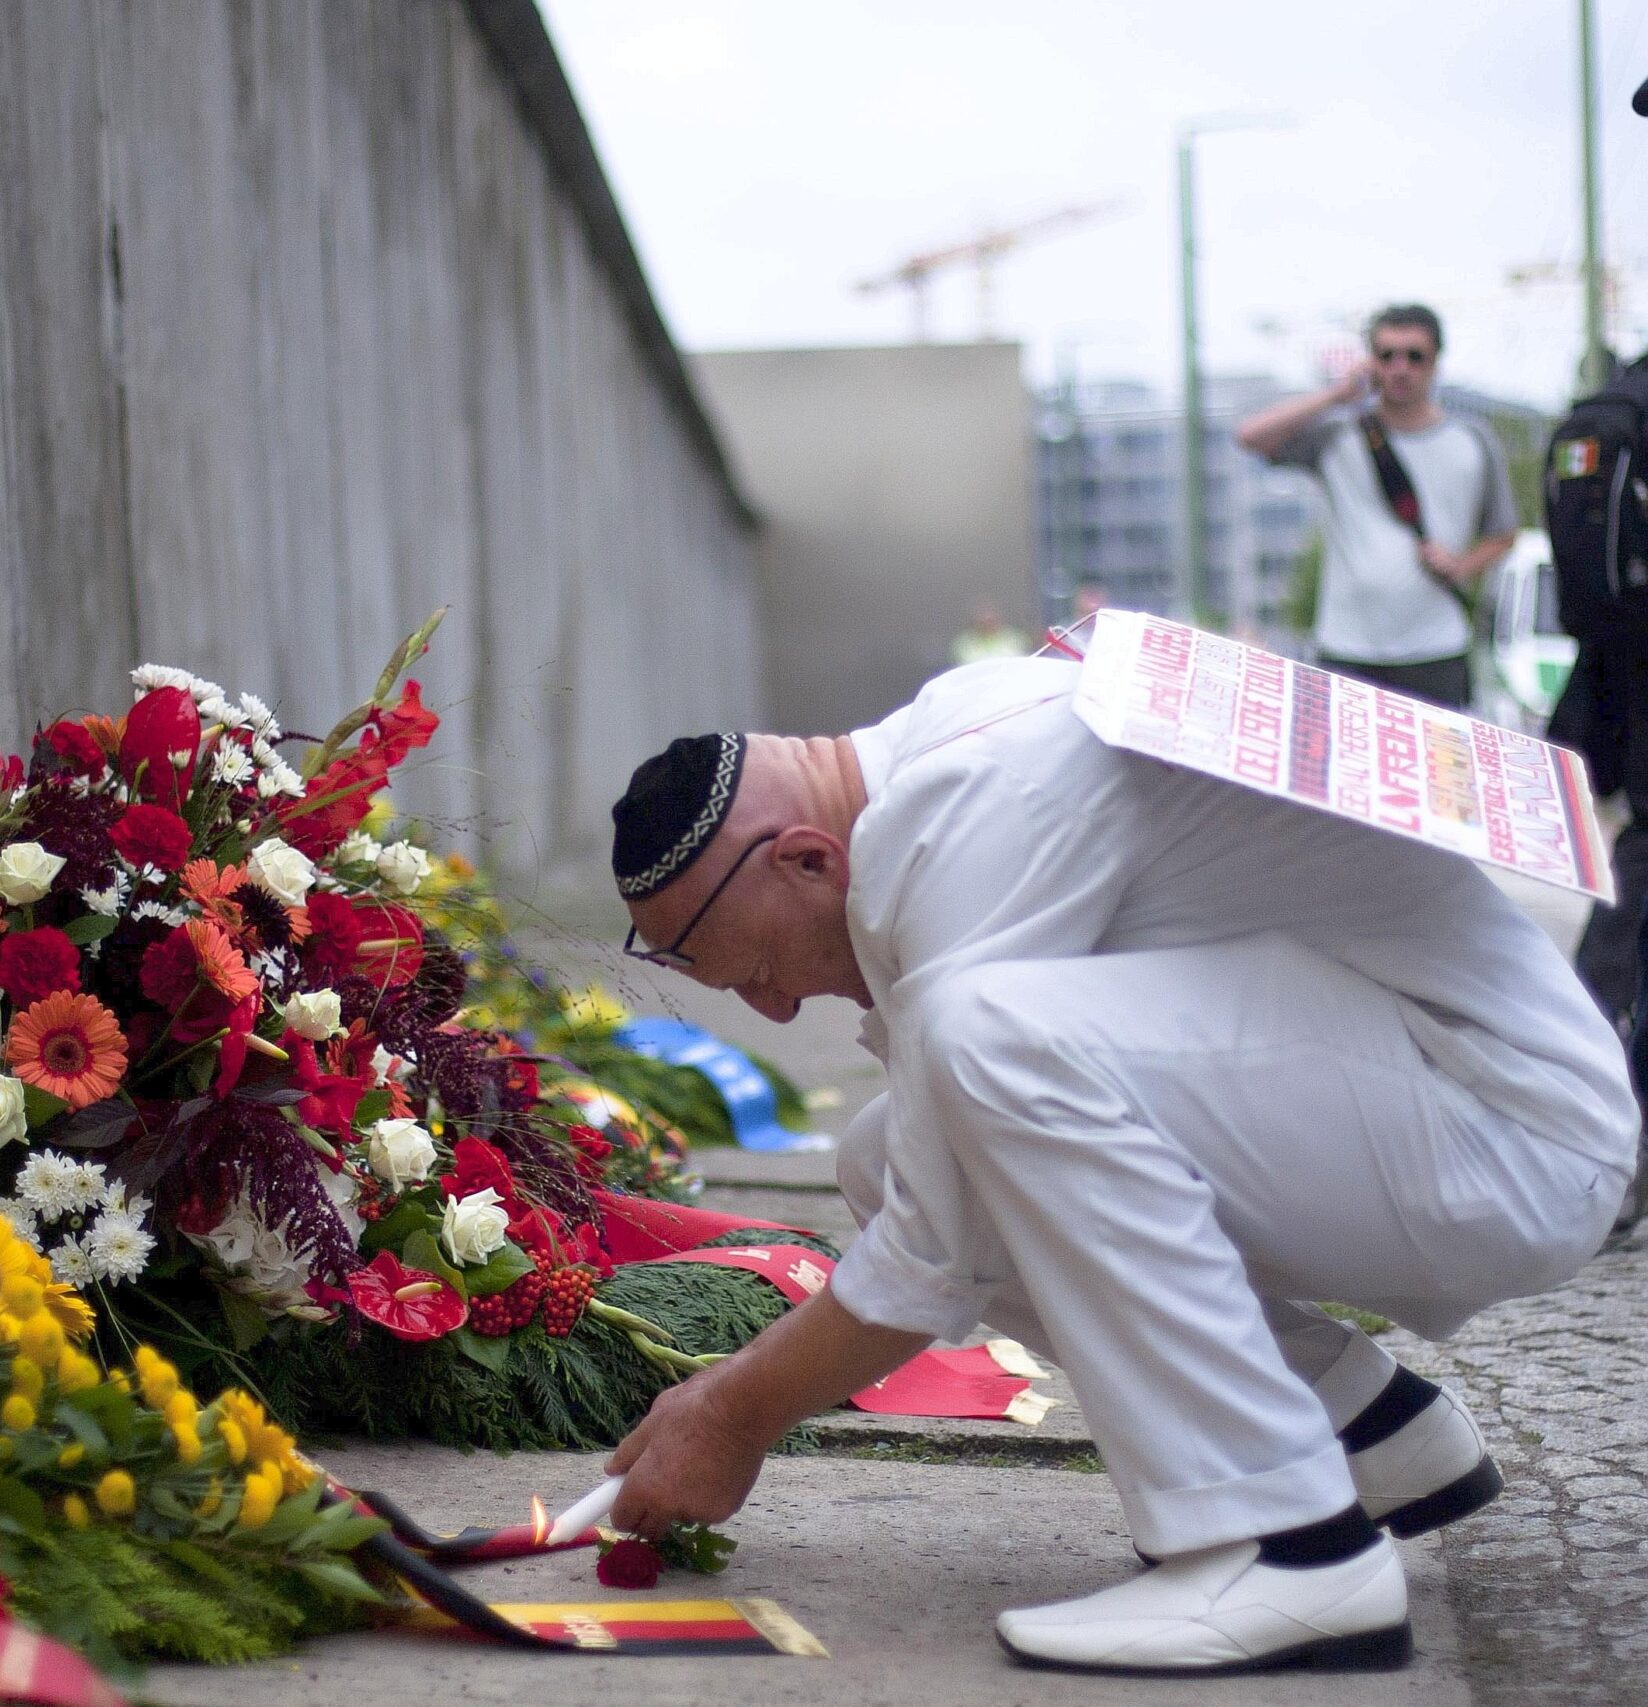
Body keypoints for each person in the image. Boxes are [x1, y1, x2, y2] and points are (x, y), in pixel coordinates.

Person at [602, 657, 1633, 1675]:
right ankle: (1363, 1434)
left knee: (985, 1045)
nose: (774, 1010)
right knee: (890, 1149)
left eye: (753, 972)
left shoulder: (969, 805)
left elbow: (932, 1252)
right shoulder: (956, 742)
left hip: (1506, 1134)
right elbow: (931, 1196)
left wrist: (732, 1416)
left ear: (806, 861)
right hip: (1443, 1095)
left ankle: (1282, 1542)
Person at [1234, 305, 1518, 710]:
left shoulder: (1472, 440)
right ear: (1371, 362)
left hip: (1437, 647)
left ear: (1436, 362)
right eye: (1387, 356)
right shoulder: (1339, 433)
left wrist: (1462, 567)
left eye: (1414, 356)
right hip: (1347, 646)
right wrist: (1337, 395)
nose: (1400, 369)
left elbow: (1503, 533)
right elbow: (1250, 436)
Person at [948, 601, 1028, 667]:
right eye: (982, 619)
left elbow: (1020, 662)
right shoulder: (963, 644)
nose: (987, 623)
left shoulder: (1015, 638)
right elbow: (966, 665)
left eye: (991, 620)